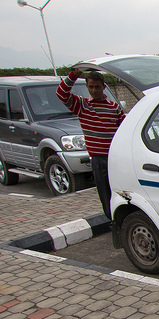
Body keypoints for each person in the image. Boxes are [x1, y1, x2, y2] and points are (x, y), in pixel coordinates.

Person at [56, 69, 125, 220]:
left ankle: (122, 219)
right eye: (91, 87)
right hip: (98, 159)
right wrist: (75, 74)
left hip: (116, 158)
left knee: (121, 191)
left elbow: (124, 131)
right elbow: (61, 93)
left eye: (97, 87)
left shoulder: (114, 107)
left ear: (103, 87)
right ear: (87, 87)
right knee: (105, 193)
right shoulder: (82, 105)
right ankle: (112, 221)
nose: (94, 90)